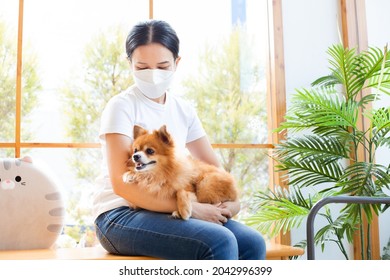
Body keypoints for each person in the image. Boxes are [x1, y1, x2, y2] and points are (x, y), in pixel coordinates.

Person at [92, 19, 266, 260]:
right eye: (142, 67)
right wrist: (191, 209)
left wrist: (233, 203)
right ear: (129, 63)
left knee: (252, 243)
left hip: (168, 210)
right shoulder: (120, 106)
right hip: (120, 215)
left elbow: (213, 168)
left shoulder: (183, 109)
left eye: (163, 66)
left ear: (177, 62)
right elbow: (122, 184)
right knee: (219, 241)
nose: (153, 75)